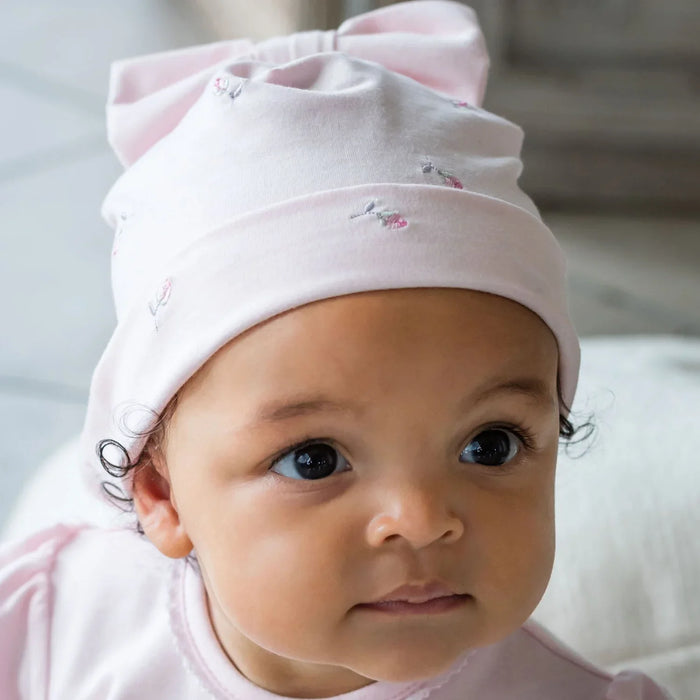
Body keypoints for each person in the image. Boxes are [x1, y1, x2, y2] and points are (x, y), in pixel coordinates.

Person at [0, 2, 674, 698]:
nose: (421, 518)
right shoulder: (53, 632)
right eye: (313, 459)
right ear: (161, 493)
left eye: (491, 445)